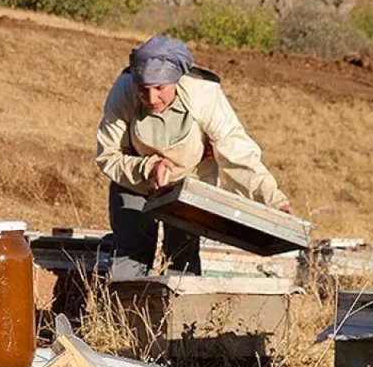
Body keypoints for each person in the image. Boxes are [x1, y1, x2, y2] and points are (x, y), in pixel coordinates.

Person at [95, 34, 293, 280]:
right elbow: (108, 155)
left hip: (190, 183)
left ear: (176, 79)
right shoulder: (123, 91)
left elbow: (237, 152)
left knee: (183, 256)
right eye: (143, 90)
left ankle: (180, 304)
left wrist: (273, 200)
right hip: (135, 181)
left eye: (160, 88)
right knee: (131, 251)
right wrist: (148, 168)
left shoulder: (203, 94)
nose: (152, 98)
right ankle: (125, 304)